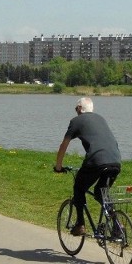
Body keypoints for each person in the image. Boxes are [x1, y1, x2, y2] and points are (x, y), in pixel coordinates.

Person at [54, 97, 121, 236]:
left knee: (79, 187)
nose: (75, 111)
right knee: (101, 192)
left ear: (79, 108)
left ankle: (80, 225)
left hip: (96, 160)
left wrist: (58, 166)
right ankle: (117, 226)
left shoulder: (76, 121)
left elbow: (63, 145)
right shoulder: (101, 119)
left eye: (75, 109)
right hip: (115, 161)